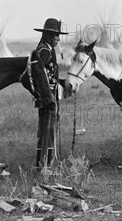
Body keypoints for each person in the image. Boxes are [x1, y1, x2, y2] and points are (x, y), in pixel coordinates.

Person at [31, 18, 69, 169]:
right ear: (48, 35)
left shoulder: (45, 48)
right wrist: (46, 94)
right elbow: (38, 73)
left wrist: (61, 82)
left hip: (50, 95)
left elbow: (49, 74)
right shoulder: (45, 51)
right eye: (56, 35)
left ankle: (45, 163)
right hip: (48, 97)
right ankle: (43, 166)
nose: (58, 39)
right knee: (47, 130)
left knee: (48, 129)